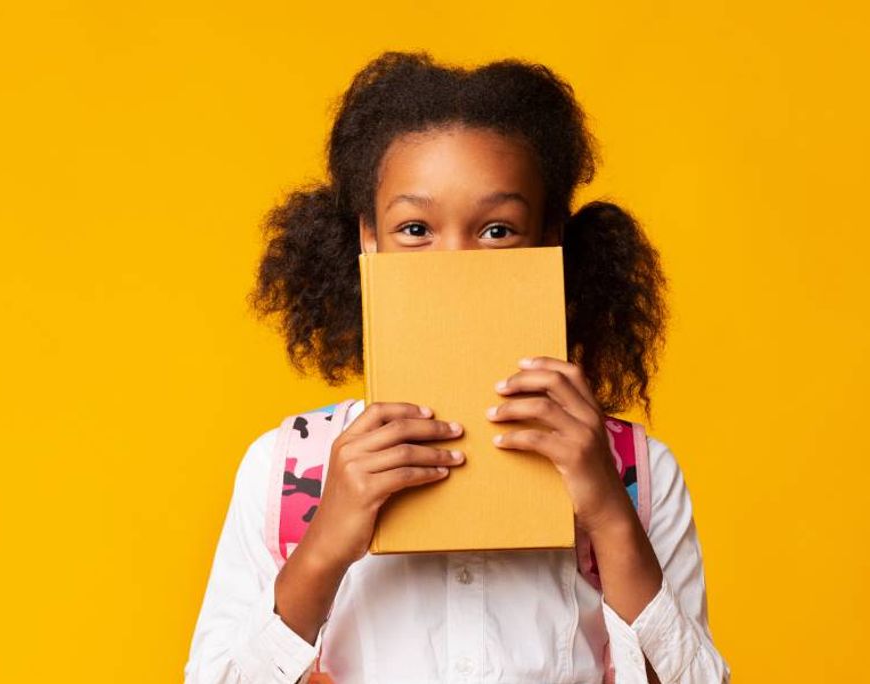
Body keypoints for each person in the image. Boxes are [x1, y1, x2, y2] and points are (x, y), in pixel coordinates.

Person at [184, 50, 730, 683]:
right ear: (370, 239)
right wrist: (324, 547)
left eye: (497, 230)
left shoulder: (638, 475)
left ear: (551, 238)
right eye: (415, 227)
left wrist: (610, 514)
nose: (454, 262)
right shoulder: (286, 473)